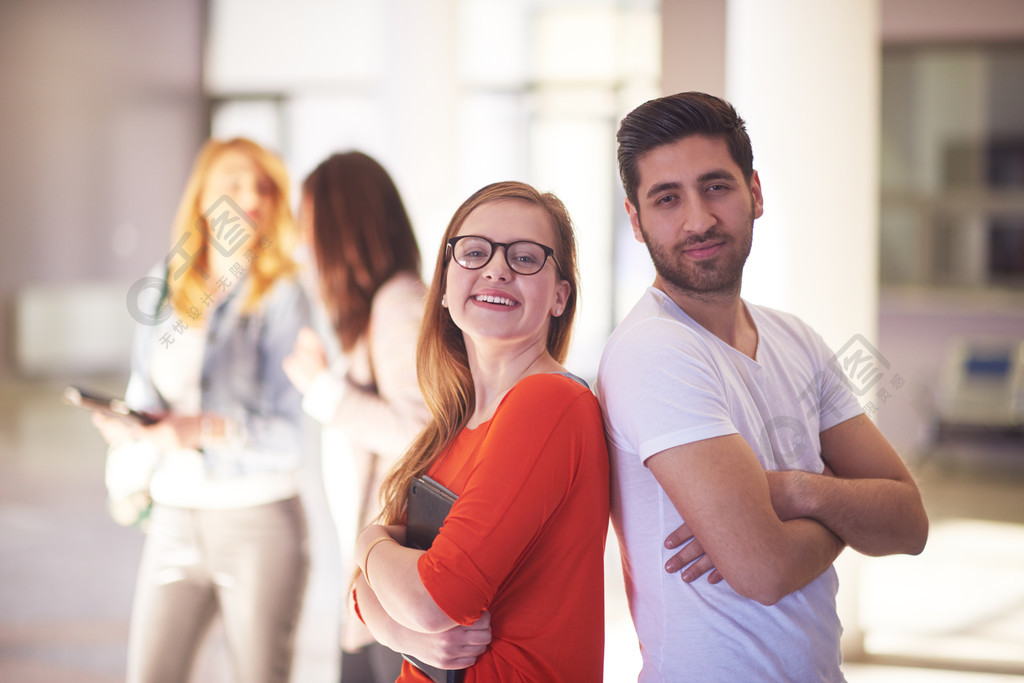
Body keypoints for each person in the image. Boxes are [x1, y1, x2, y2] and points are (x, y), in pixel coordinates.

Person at [597, 92, 929, 681]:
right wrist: (841, 503)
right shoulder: (655, 350)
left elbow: (908, 523)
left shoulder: (795, 339)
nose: (698, 220)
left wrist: (796, 492)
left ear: (754, 191)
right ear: (636, 220)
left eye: (716, 186)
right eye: (667, 198)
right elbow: (765, 571)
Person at [350, 181, 610, 681]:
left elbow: (431, 600)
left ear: (559, 297)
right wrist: (403, 631)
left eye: (526, 257)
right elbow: (362, 595)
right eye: (474, 252)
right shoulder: (451, 423)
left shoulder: (549, 403)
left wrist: (369, 543)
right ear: (445, 285)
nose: (496, 268)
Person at [93, 137, 312, 683]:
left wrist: (200, 430)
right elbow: (148, 388)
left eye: (263, 186)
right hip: (173, 517)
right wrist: (132, 426)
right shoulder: (168, 280)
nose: (251, 197)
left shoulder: (282, 292)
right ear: (202, 200)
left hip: (258, 522)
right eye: (234, 183)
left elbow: (290, 437)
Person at [282, 151, 428, 682]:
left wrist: (323, 390)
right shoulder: (384, 310)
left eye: (309, 223)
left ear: (343, 227)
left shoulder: (399, 306)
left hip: (393, 576)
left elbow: (420, 432)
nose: (303, 242)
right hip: (376, 576)